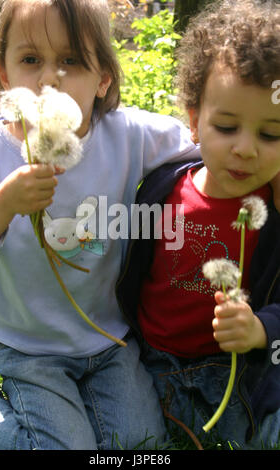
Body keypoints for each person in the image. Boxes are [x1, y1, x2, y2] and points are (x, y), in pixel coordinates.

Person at [0, 0, 200, 450]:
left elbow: (199, 149)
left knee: (141, 445)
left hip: (107, 337)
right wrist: (0, 207)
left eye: (70, 61)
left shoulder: (126, 133)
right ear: (4, 75)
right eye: (30, 60)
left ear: (103, 79)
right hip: (28, 345)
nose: (47, 79)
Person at [116, 0, 280, 450]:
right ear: (193, 120)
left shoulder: (274, 213)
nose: (246, 149)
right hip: (146, 358)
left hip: (230, 369)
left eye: (271, 134)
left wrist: (261, 328)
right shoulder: (162, 190)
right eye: (227, 126)